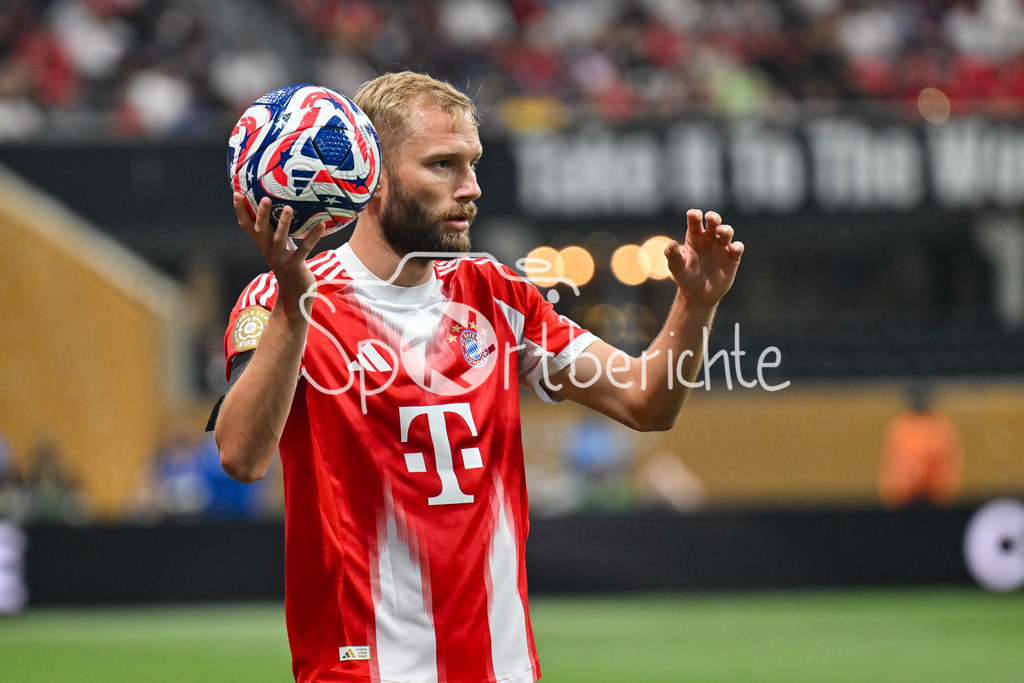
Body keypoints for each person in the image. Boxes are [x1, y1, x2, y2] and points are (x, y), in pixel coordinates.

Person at [211, 71, 742, 683]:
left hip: (501, 669)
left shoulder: (497, 294)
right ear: (372, 179)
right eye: (443, 165)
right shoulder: (282, 300)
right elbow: (241, 456)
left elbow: (646, 402)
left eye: (473, 163)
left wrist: (695, 305)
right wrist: (291, 303)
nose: (471, 188)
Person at [879, 383, 963, 508]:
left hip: (933, 500)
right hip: (905, 500)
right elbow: (895, 469)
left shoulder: (939, 426)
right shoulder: (902, 426)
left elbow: (945, 471)